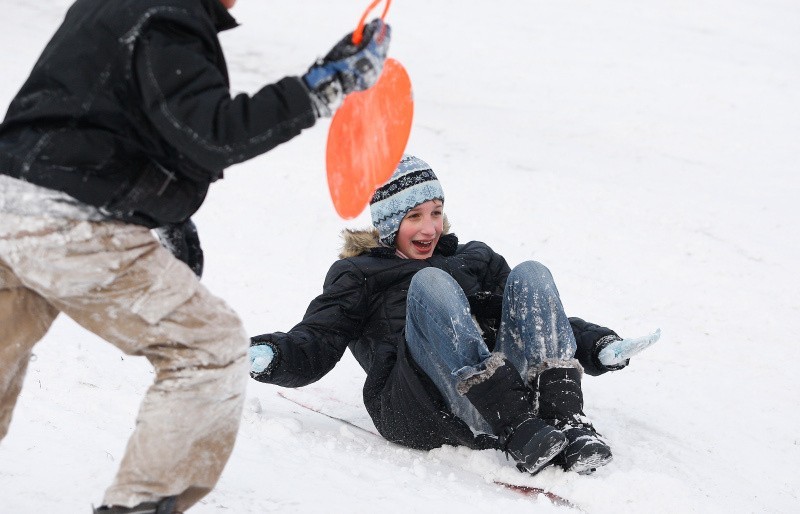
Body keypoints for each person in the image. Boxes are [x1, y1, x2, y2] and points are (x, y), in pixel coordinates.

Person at [0, 0, 390, 512]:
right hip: (70, 222)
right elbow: (211, 134)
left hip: (10, 205)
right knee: (207, 346)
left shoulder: (114, 7)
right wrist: (323, 86)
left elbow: (101, 122)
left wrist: (163, 212)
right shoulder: (168, 17)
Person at [249, 155, 660, 477]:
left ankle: (565, 419)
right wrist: (274, 355)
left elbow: (532, 320)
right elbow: (319, 337)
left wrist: (598, 345)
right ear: (389, 224)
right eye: (414, 217)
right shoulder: (360, 275)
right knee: (429, 284)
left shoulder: (474, 258)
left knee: (531, 273)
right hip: (419, 407)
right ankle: (516, 425)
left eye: (436, 211)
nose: (429, 228)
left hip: (504, 392)